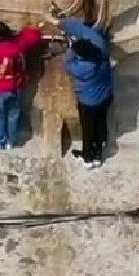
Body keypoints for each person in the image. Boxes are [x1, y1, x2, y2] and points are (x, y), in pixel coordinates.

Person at [0, 19, 45, 150]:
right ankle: (11, 140)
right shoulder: (20, 45)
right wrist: (21, 32)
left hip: (1, 89)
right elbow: (34, 35)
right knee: (13, 114)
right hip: (18, 87)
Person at [57, 15, 113, 167]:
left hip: (88, 102)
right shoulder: (102, 51)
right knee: (101, 123)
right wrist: (66, 25)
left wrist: (71, 49)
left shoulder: (81, 68)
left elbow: (66, 64)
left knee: (88, 129)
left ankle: (88, 157)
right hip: (105, 96)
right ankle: (98, 151)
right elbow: (87, 33)